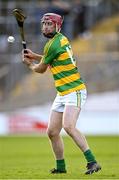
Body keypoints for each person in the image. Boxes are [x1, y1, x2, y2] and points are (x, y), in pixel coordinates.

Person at [22, 12, 101, 175]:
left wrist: (29, 64)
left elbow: (41, 69)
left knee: (69, 126)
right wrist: (35, 56)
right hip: (63, 92)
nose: (46, 26)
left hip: (75, 90)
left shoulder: (53, 44)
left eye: (49, 24)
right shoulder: (59, 40)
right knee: (51, 132)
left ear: (58, 26)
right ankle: (61, 167)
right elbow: (50, 59)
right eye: (44, 24)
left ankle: (92, 162)